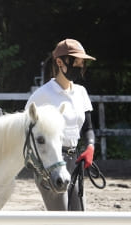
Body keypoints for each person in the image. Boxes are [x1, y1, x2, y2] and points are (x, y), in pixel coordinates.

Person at [25, 38, 96, 211]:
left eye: (81, 63)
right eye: (76, 61)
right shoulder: (41, 96)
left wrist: (90, 147)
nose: (79, 66)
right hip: (52, 162)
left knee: (79, 215)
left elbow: (88, 127)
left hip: (75, 160)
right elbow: (26, 130)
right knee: (60, 217)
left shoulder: (81, 92)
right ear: (59, 62)